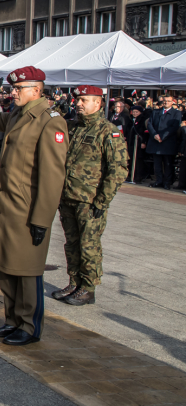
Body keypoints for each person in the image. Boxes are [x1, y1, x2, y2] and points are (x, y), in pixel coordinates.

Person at [0, 67, 68, 346]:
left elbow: (53, 176)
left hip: (28, 208)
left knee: (27, 271)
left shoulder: (49, 121)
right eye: (13, 88)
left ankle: (29, 326)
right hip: (8, 205)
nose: (13, 92)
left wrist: (42, 218)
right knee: (7, 264)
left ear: (36, 91)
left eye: (18, 89)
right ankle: (12, 320)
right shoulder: (19, 113)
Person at [52, 85, 127, 306]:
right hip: (68, 196)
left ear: (98, 103)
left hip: (90, 200)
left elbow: (118, 168)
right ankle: (74, 282)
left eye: (84, 100)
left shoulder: (108, 130)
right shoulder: (74, 127)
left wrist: (103, 200)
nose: (79, 104)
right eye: (78, 100)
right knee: (71, 243)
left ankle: (88, 288)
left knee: (89, 245)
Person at [147, 95, 181, 190]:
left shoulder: (176, 113)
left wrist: (162, 136)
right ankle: (159, 181)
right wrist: (154, 135)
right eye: (164, 101)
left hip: (168, 142)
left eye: (168, 101)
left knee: (168, 164)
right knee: (157, 164)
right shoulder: (156, 112)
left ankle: (167, 182)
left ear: (172, 102)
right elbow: (150, 124)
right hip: (155, 141)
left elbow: (174, 127)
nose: (165, 102)